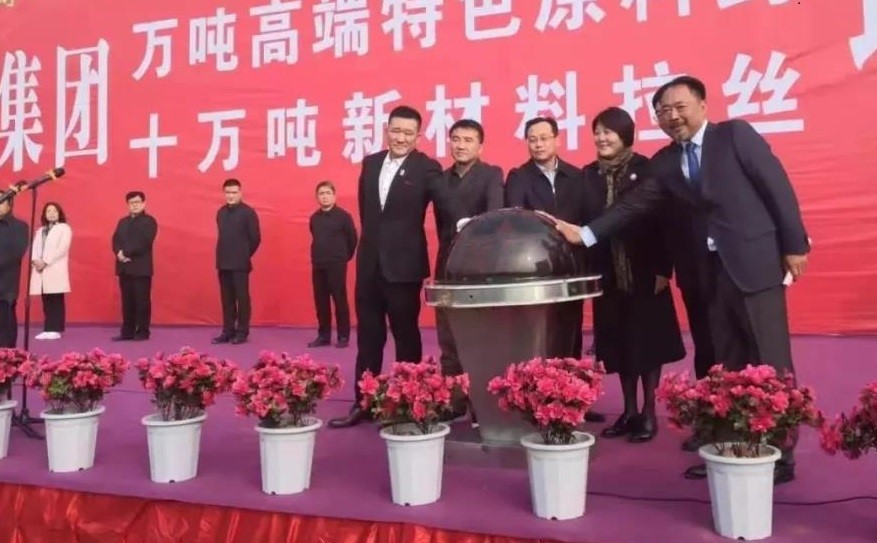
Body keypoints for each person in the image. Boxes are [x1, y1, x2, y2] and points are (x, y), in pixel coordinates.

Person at [551, 76, 809, 484]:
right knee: (722, 362)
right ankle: (729, 448)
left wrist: (794, 244)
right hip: (704, 274)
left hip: (753, 265)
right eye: (663, 111)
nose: (672, 116)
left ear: (702, 105)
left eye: (679, 107)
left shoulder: (734, 136)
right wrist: (585, 234)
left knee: (769, 358)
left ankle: (781, 455)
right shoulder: (665, 161)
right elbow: (634, 205)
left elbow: (775, 185)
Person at [329, 105, 462, 429]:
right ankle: (364, 403)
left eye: (408, 133)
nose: (401, 138)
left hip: (404, 268)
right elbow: (368, 213)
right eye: (396, 131)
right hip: (369, 265)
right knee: (368, 337)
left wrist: (467, 227)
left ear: (418, 136)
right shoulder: (371, 163)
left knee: (406, 337)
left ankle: (407, 403)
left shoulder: (427, 167)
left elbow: (448, 206)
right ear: (386, 130)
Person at [582, 107, 685, 443]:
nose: (601, 138)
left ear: (625, 134)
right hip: (608, 274)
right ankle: (628, 411)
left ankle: (649, 412)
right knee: (619, 344)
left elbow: (665, 223)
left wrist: (663, 269)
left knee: (648, 345)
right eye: (597, 132)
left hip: (645, 271)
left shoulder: (646, 168)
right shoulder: (588, 176)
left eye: (608, 132)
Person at [504, 116, 605, 423]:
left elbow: (589, 220)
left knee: (571, 333)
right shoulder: (518, 177)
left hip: (573, 266)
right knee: (538, 334)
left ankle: (574, 400)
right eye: (532, 139)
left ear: (557, 139)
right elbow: (517, 220)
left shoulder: (577, 175)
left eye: (544, 138)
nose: (538, 144)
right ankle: (538, 401)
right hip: (536, 268)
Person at [435, 118, 504, 419]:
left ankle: (482, 404)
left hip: (479, 266)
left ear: (480, 145)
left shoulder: (491, 174)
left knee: (482, 338)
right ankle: (454, 400)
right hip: (446, 266)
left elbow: (493, 218)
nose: (461, 145)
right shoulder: (440, 178)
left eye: (468, 140)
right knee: (448, 338)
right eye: (456, 139)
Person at [307, 180, 357, 349]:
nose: (325, 196)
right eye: (321, 193)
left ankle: (343, 336)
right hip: (318, 264)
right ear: (317, 197)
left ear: (334, 196)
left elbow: (352, 239)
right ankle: (324, 336)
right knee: (321, 301)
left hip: (337, 264)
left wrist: (343, 257)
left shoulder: (344, 217)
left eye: (328, 193)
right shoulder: (314, 218)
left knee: (339, 299)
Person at [213, 178, 261, 345]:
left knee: (242, 298)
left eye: (234, 192)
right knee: (227, 299)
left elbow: (255, 238)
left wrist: (244, 254)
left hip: (240, 263)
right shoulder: (221, 212)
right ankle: (228, 331)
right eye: (228, 192)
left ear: (240, 193)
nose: (231, 196)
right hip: (223, 261)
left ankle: (242, 332)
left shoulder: (248, 213)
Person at [112, 191, 158, 341]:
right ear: (128, 205)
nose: (134, 205)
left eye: (137, 202)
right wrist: (118, 252)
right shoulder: (122, 222)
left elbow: (145, 242)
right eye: (131, 203)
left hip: (140, 268)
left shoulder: (149, 221)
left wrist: (126, 253)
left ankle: (142, 331)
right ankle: (127, 332)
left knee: (142, 302)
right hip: (124, 268)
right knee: (127, 302)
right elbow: (115, 240)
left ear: (143, 203)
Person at [30, 202, 72, 340]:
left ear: (59, 213)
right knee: (46, 300)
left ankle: (55, 329)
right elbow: (35, 248)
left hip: (54, 268)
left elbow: (62, 248)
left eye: (55, 211)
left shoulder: (64, 228)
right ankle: (48, 328)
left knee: (56, 300)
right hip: (41, 269)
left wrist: (46, 261)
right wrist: (35, 261)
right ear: (44, 214)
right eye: (48, 211)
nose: (52, 213)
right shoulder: (40, 230)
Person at [0, 195, 29, 348]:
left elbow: (16, 253)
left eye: (1, 200)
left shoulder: (19, 226)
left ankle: (7, 355)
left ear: (9, 204)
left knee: (5, 322)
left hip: (6, 283)